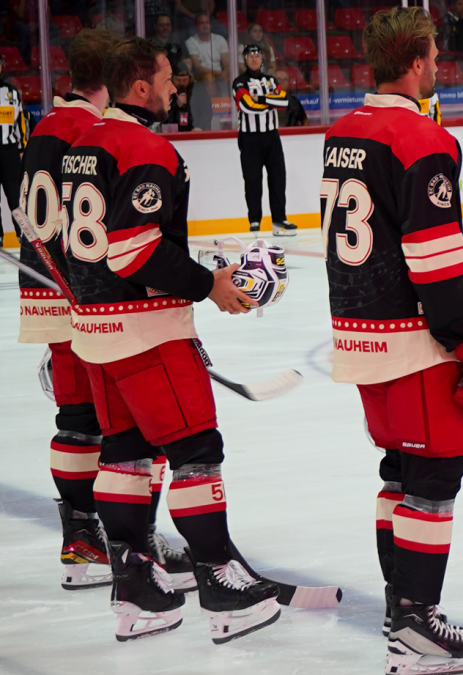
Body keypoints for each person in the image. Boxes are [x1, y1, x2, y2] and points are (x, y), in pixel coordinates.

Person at [61, 37, 280, 644]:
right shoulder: (144, 146)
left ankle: (136, 592)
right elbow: (135, 249)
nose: (173, 85)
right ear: (138, 87)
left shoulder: (82, 144)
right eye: (164, 77)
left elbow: (75, 238)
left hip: (93, 330)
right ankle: (220, 583)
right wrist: (208, 284)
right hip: (146, 330)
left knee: (125, 454)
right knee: (194, 450)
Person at [322, 7, 463, 673]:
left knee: (399, 470)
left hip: (358, 332)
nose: (439, 65)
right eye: (433, 54)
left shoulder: (342, 131)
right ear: (417, 60)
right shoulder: (423, 139)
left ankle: (401, 609)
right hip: (411, 337)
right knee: (434, 472)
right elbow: (433, 262)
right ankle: (418, 626)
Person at [16, 27, 123, 594]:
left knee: (78, 418)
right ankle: (102, 535)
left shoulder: (47, 124)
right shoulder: (89, 128)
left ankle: (83, 534)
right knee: (103, 418)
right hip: (77, 285)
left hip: (46, 280)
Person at [233, 45, 293, 236]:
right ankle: (255, 221)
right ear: (245, 59)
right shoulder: (239, 82)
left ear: (262, 59)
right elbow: (246, 105)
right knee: (252, 180)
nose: (254, 58)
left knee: (278, 178)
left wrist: (259, 98)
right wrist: (269, 102)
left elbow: (283, 101)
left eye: (257, 55)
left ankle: (279, 219)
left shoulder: (271, 80)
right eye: (250, 55)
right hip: (250, 138)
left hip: (272, 136)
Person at [0, 52, 26, 238]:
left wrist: (22, 149)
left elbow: (20, 124)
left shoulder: (12, 92)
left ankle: (24, 235)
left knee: (15, 195)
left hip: (9, 150)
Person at [185, 12, 229, 97]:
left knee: (233, 74)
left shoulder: (220, 39)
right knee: (209, 78)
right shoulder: (190, 42)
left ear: (211, 25)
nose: (205, 25)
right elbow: (198, 66)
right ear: (196, 26)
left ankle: (231, 105)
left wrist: (225, 73)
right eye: (201, 23)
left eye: (207, 22)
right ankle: (213, 106)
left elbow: (226, 63)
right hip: (201, 74)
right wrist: (219, 74)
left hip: (219, 72)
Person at [166, 66, 197, 131]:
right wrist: (176, 104)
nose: (182, 83)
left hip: (193, 129)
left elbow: (206, 111)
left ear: (190, 78)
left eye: (185, 80)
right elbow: (162, 114)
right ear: (171, 78)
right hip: (172, 130)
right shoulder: (165, 90)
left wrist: (200, 126)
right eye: (178, 80)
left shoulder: (196, 89)